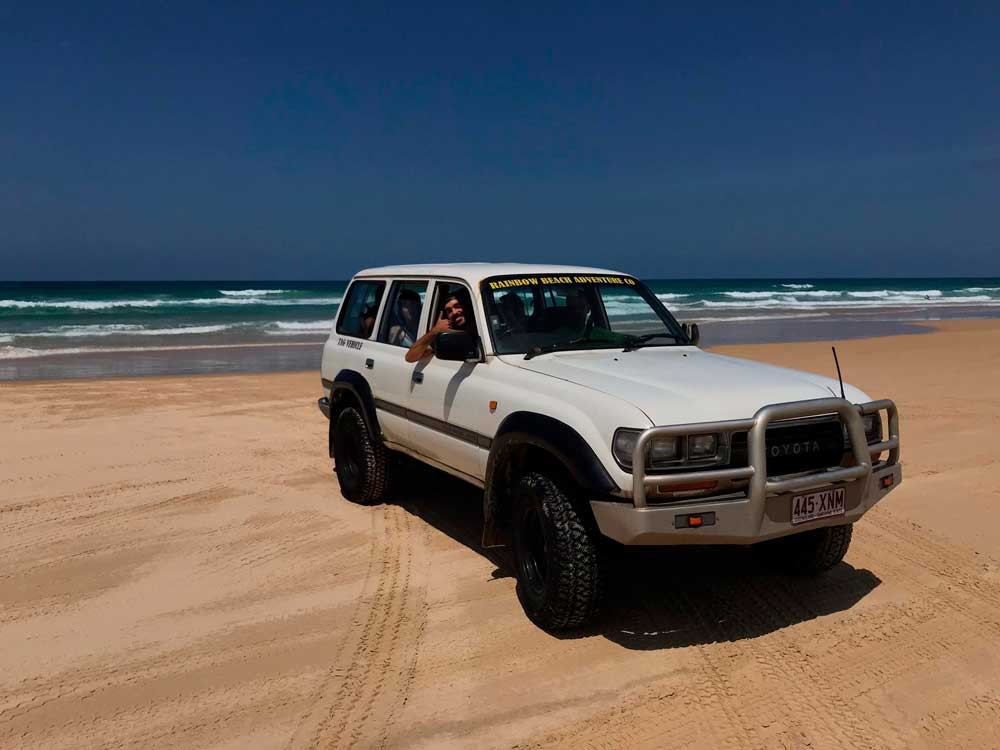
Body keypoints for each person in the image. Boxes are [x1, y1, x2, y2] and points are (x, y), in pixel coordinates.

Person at [405, 290, 474, 362]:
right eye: (449, 311)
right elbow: (410, 357)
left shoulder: (483, 325)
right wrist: (434, 331)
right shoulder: (447, 337)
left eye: (457, 306)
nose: (454, 312)